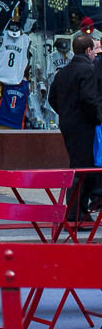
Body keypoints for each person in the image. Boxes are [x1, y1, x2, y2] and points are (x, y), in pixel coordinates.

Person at [48, 31, 102, 220]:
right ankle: (76, 212)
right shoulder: (88, 70)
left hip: (69, 125)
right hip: (85, 126)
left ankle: (77, 211)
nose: (96, 54)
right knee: (85, 169)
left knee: (78, 166)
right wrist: (97, 118)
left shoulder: (64, 71)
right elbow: (89, 99)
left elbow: (51, 97)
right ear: (88, 50)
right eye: (94, 50)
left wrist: (66, 113)